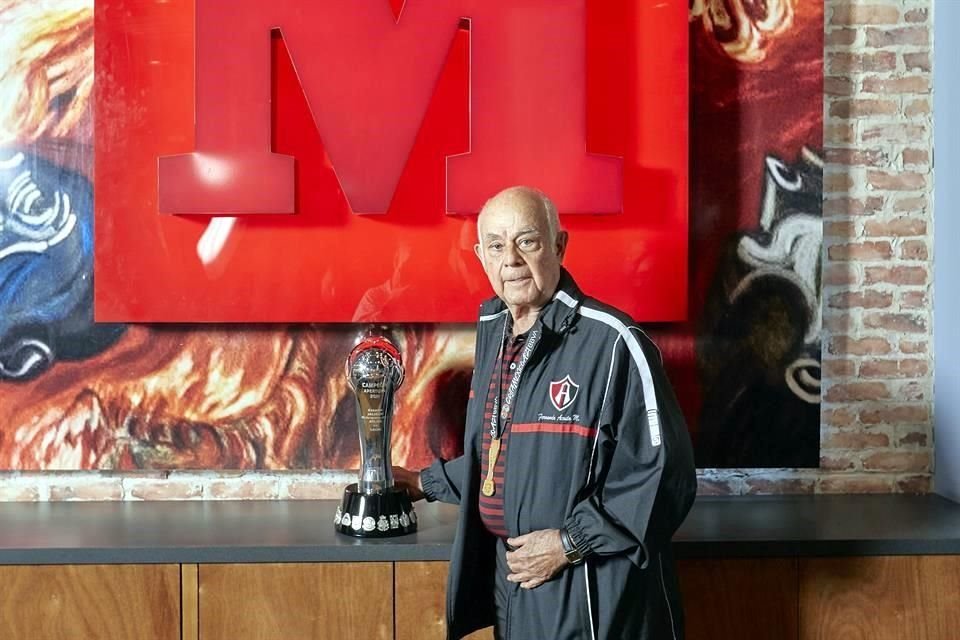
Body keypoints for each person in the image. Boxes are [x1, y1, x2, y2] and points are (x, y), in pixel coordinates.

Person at [395, 186, 697, 640]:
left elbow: (665, 476)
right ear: (481, 256)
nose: (511, 259)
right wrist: (426, 482)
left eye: (527, 241)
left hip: (591, 591)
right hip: (518, 583)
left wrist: (571, 543)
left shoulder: (614, 340)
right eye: (496, 245)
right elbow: (511, 454)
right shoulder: (497, 335)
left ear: (559, 245)